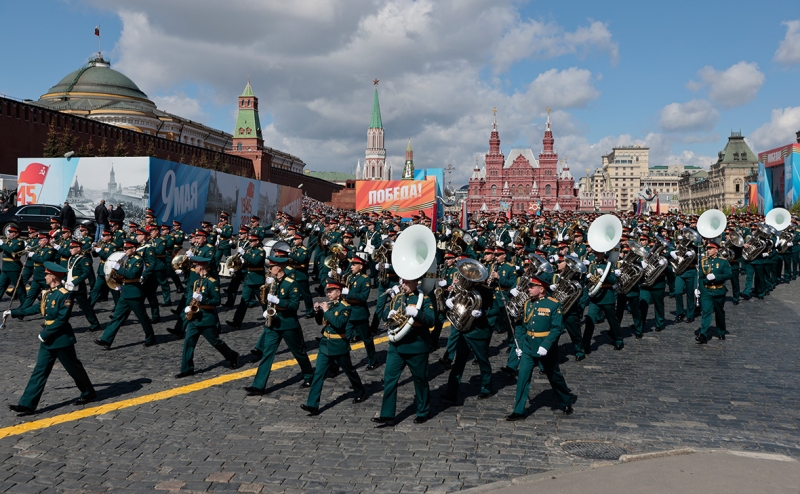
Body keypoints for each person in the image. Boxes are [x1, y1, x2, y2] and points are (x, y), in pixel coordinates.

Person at [5, 262, 96, 415]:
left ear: (53, 277)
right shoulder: (48, 293)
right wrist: (13, 312)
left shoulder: (65, 294)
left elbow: (62, 319)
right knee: (39, 371)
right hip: (48, 339)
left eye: (47, 275)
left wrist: (45, 334)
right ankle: (27, 404)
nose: (44, 277)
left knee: (74, 368)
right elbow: (37, 308)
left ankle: (88, 392)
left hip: (60, 338)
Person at [243, 255, 314, 395]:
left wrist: (278, 302)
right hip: (273, 324)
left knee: (298, 353)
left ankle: (309, 375)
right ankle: (258, 385)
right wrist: (268, 309)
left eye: (271, 267)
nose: (269, 270)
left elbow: (294, 305)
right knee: (267, 354)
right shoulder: (272, 282)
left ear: (279, 268)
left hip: (288, 324)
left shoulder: (290, 283)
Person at [506, 274, 573, 421]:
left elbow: (557, 328)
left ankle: (565, 401)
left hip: (545, 349)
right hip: (529, 347)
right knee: (523, 377)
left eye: (532, 287)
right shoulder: (528, 303)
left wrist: (546, 345)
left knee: (554, 376)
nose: (528, 289)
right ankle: (518, 410)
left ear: (541, 289)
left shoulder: (553, 304)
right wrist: (521, 346)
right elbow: (524, 327)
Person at [372, 277, 434, 426]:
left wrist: (417, 313)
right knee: (389, 379)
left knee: (420, 380)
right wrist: (388, 314)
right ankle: (387, 414)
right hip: (397, 346)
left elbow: (432, 320)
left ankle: (423, 411)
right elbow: (385, 313)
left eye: (407, 283)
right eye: (403, 282)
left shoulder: (424, 298)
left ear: (415, 283)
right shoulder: (398, 297)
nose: (403, 285)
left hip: (416, 346)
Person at [300, 279, 367, 415]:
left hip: (339, 345)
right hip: (325, 344)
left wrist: (326, 311)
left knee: (349, 371)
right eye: (328, 291)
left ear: (338, 292)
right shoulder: (330, 305)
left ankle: (360, 391)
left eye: (331, 292)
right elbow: (321, 323)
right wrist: (318, 312)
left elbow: (338, 324)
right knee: (319, 373)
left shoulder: (345, 307)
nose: (328, 294)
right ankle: (312, 404)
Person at [175, 257, 240, 378]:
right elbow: (192, 297)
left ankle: (232, 355)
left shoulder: (212, 282)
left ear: (201, 267)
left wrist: (203, 299)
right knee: (188, 343)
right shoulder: (197, 282)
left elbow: (217, 301)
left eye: (195, 266)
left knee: (215, 341)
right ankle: (187, 368)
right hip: (195, 318)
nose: (194, 268)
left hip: (206, 318)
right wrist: (189, 306)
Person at [94, 239, 159, 349]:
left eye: (127, 248)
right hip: (125, 292)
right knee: (116, 317)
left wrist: (119, 269)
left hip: (134, 294)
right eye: (124, 248)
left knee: (142, 318)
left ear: (133, 249)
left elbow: (132, 274)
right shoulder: (127, 259)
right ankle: (106, 339)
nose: (125, 250)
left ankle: (150, 337)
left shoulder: (138, 260)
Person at [695, 241, 732, 344]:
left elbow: (729, 274)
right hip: (706, 290)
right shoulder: (703, 261)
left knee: (719, 312)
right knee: (706, 311)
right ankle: (703, 334)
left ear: (716, 250)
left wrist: (717, 277)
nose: (708, 250)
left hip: (718, 290)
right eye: (707, 249)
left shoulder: (723, 261)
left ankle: (721, 331)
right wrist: (696, 288)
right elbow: (699, 276)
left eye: (710, 249)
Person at [0, 225, 27, 303]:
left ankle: (24, 306)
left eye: (11, 232)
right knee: (1, 286)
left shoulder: (19, 242)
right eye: (9, 232)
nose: (9, 234)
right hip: (5, 268)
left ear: (16, 233)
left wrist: (2, 244)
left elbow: (11, 250)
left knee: (19, 288)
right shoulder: (8, 241)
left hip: (14, 269)